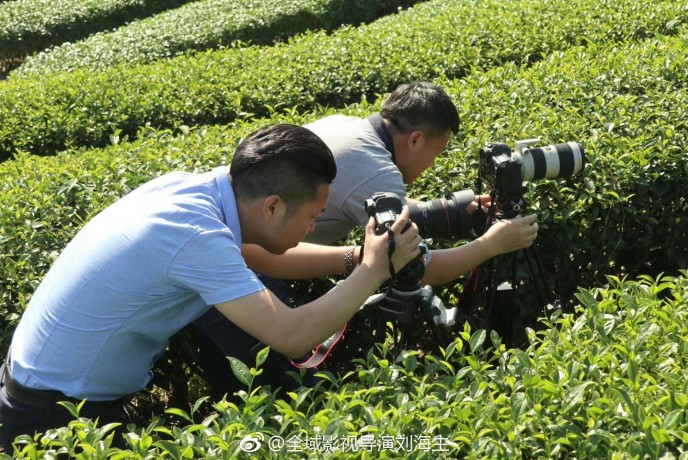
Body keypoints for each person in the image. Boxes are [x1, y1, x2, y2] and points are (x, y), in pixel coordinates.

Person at [0, 123, 423, 452]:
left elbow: (255, 256)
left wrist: (357, 255)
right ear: (272, 206)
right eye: (312, 215)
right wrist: (373, 269)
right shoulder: (193, 234)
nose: (314, 226)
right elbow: (292, 335)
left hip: (39, 389)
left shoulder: (201, 192)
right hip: (52, 418)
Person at [192, 81, 539, 400]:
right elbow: (420, 268)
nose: (433, 164)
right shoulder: (376, 171)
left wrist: (459, 210)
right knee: (287, 396)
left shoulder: (349, 127)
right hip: (242, 273)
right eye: (438, 152)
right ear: (415, 139)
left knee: (236, 393)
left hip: (219, 264)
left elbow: (373, 198)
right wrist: (493, 243)